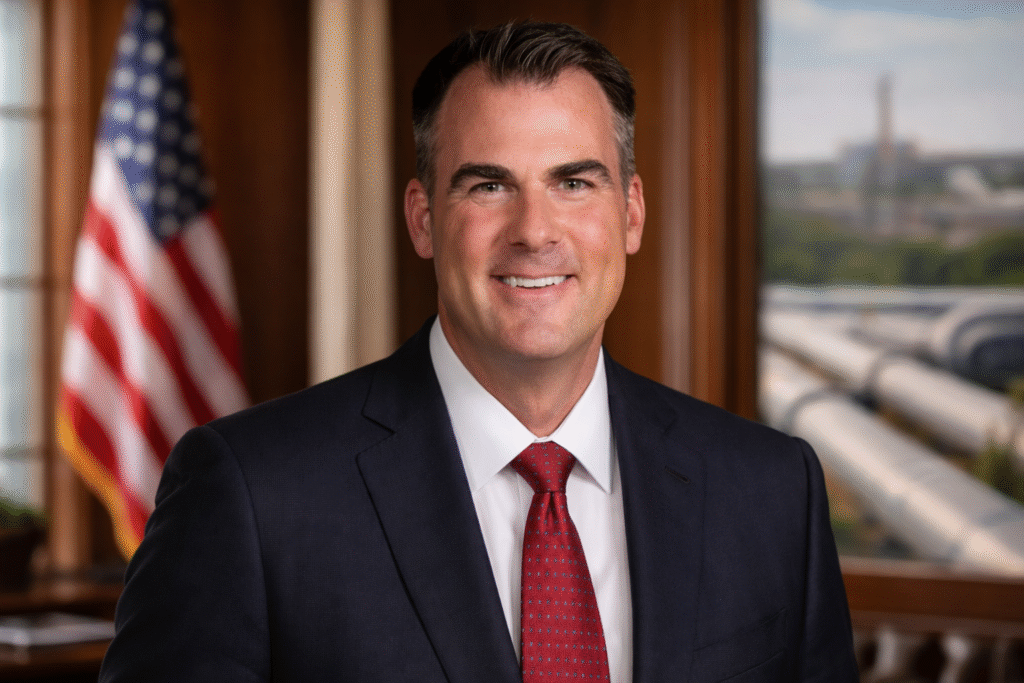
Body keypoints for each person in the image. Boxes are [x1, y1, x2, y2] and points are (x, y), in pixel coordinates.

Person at [99, 21, 857, 683]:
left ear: (631, 214)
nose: (535, 230)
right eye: (489, 186)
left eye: (573, 182)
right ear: (423, 219)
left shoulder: (770, 494)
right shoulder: (251, 493)